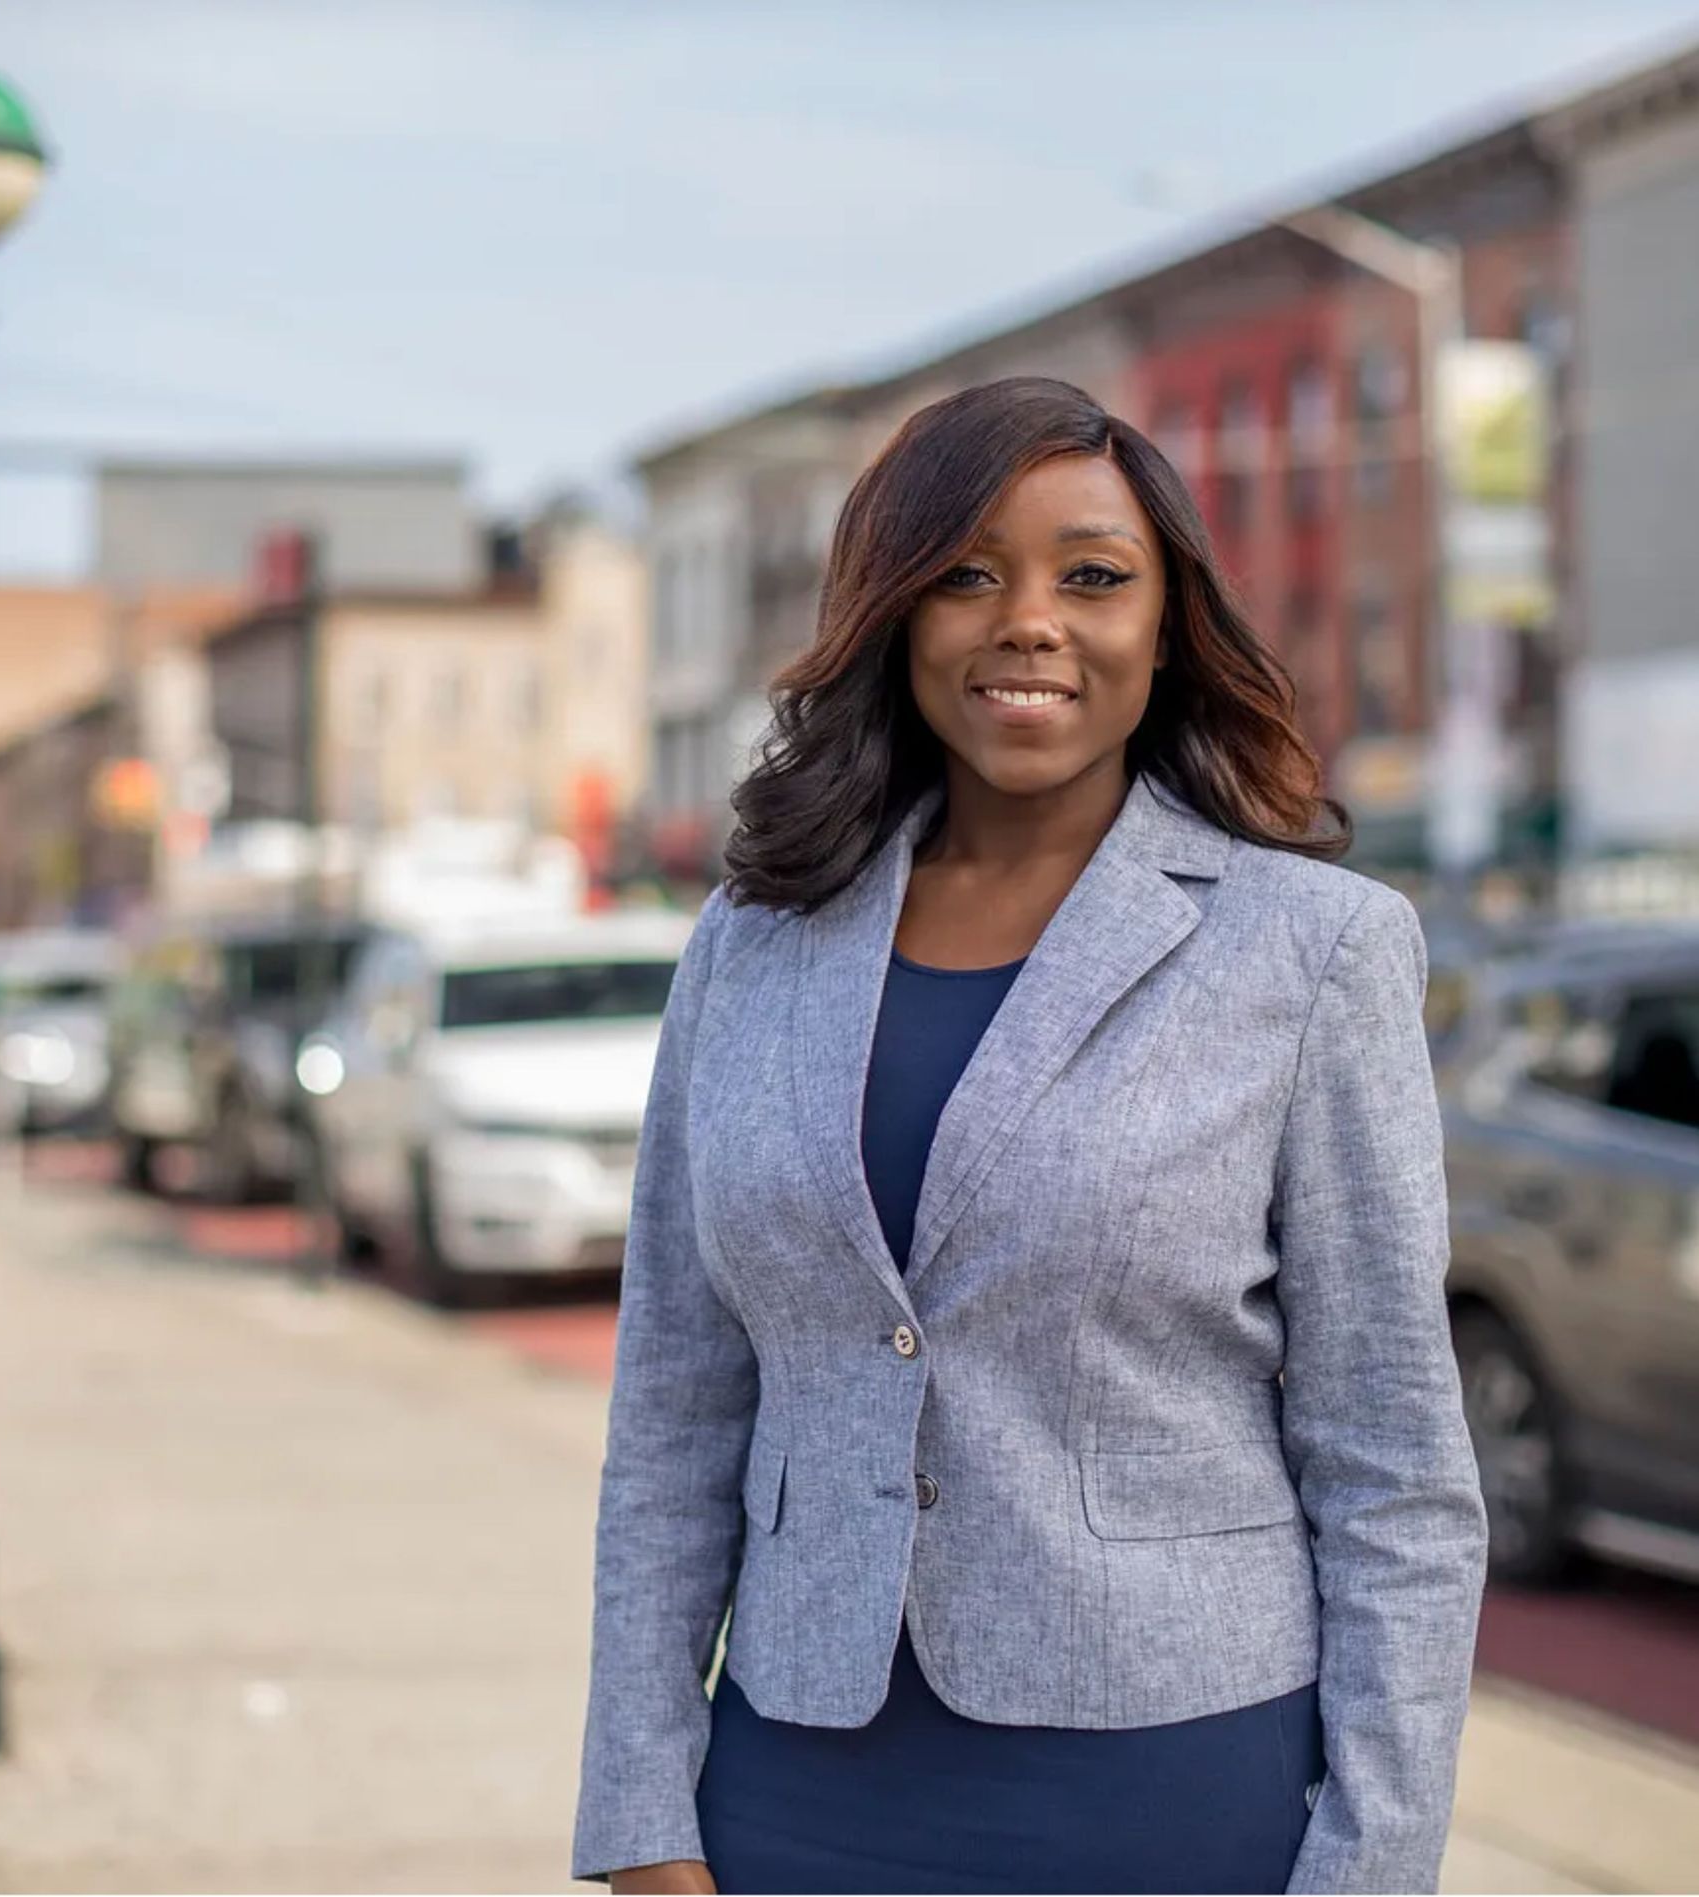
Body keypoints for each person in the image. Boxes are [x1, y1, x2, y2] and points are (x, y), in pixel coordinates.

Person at [570, 377, 1489, 1895]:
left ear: (1166, 622)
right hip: (796, 1783)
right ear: (896, 615)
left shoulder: (1314, 952)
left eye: (1093, 576)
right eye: (967, 575)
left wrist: (1371, 1869)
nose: (1030, 621)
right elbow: (673, 1410)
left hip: (1171, 1785)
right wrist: (640, 1813)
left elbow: (1393, 1463)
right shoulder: (750, 945)